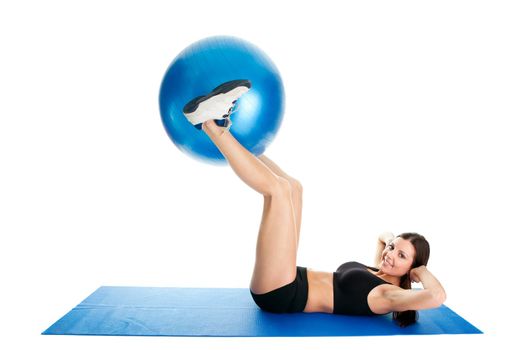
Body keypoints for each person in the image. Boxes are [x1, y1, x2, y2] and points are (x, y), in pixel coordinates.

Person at [182, 80, 447, 327]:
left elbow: (437, 296)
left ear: (412, 267)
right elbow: (382, 237)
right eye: (392, 249)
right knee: (295, 188)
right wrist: (394, 244)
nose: (390, 254)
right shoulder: (380, 271)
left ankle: (208, 124)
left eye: (401, 256)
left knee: (277, 191)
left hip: (282, 293)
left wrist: (420, 272)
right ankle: (236, 138)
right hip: (290, 276)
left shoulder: (389, 296)